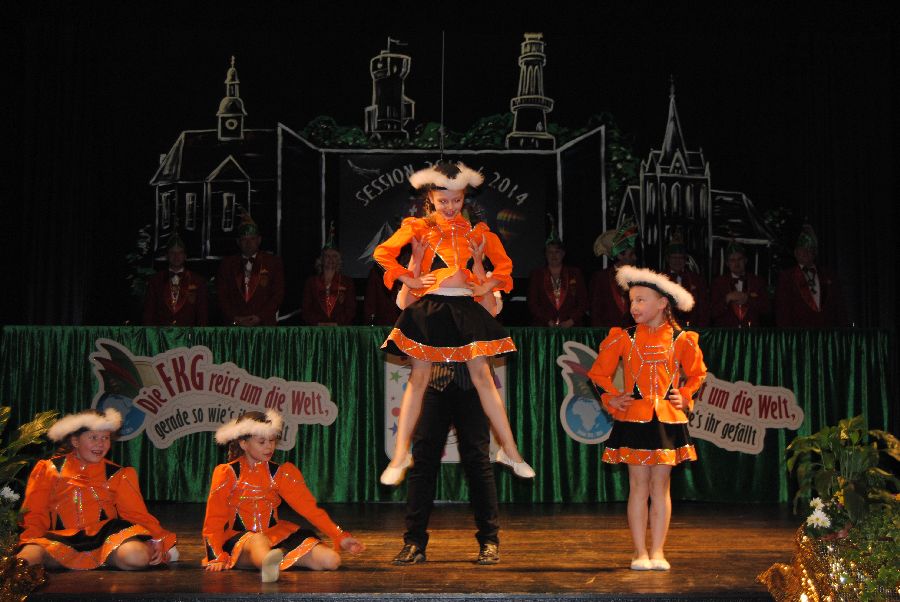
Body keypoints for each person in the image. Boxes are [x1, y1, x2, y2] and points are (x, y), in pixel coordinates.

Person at [373, 160, 533, 486]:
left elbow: (505, 266)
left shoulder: (477, 232)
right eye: (443, 200)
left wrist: (487, 285)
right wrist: (409, 277)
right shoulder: (419, 227)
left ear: (464, 198)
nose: (450, 207)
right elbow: (383, 253)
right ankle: (400, 454)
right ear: (430, 198)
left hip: (465, 307)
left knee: (483, 377)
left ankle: (510, 451)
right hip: (431, 307)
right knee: (419, 378)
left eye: (456, 200)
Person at [588, 266, 707, 571]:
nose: (634, 306)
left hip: (667, 421)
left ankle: (658, 551)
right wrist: (612, 397)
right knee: (638, 486)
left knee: (660, 486)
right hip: (634, 419)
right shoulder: (624, 338)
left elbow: (697, 373)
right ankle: (639, 552)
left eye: (641, 300)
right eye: (632, 301)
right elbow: (597, 374)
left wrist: (686, 395)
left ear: (662, 303)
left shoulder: (681, 338)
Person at [202, 410, 364, 582]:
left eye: (272, 440)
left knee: (331, 560)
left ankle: (272, 561)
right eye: (262, 442)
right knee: (258, 541)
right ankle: (268, 561)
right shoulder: (228, 473)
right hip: (241, 541)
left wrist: (339, 535)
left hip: (275, 536)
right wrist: (215, 556)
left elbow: (309, 509)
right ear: (243, 443)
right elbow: (214, 518)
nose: (269, 447)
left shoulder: (280, 473)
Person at [17, 409, 178, 570]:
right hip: (60, 540)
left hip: (106, 539)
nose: (101, 444)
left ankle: (105, 557)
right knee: (26, 559)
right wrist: (31, 540)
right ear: (75, 441)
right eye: (93, 437)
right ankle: (77, 559)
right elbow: (35, 512)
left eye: (105, 438)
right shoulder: (48, 469)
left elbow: (136, 513)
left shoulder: (118, 474)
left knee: (136, 556)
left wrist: (157, 538)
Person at [217, 213, 285, 326]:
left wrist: (260, 317)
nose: (248, 243)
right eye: (244, 239)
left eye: (252, 239)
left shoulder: (273, 262)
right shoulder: (227, 264)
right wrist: (235, 318)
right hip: (235, 326)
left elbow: (278, 295)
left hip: (264, 326)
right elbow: (222, 296)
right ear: (238, 242)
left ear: (259, 240)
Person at [775, 225, 848, 328]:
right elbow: (783, 310)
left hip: (827, 333)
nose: (805, 252)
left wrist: (844, 330)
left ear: (814, 253)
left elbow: (839, 307)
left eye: (809, 249)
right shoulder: (787, 277)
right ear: (795, 253)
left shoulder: (829, 276)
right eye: (802, 249)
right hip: (800, 333)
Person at [142, 231, 208, 326]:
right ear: (167, 256)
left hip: (188, 333)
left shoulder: (198, 281)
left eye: (180, 252)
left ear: (185, 256)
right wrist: (150, 333)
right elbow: (149, 311)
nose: (176, 256)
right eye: (172, 252)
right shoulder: (156, 280)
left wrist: (200, 333)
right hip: (161, 332)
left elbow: (202, 313)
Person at [527, 228, 589, 327]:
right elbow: (533, 304)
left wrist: (571, 321)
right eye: (550, 252)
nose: (553, 255)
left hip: (572, 328)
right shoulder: (537, 275)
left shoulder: (575, 273)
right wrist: (547, 321)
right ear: (545, 255)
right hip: (544, 327)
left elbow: (583, 302)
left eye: (557, 252)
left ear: (563, 254)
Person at [710, 241, 771, 327]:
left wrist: (748, 300)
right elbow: (712, 313)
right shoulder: (718, 283)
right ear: (727, 263)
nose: (737, 263)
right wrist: (727, 298)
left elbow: (767, 309)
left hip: (751, 332)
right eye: (732, 260)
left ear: (745, 260)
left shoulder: (757, 281)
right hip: (726, 332)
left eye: (740, 259)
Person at [589, 221, 638, 327]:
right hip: (607, 332)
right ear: (620, 256)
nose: (635, 257)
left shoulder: (638, 278)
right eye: (631, 254)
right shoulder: (601, 278)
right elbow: (595, 310)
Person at [301, 238, 357, 326]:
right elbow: (306, 309)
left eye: (334, 256)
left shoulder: (347, 282)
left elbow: (351, 309)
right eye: (327, 256)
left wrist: (336, 323)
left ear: (339, 260)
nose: (331, 259)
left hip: (340, 330)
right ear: (321, 259)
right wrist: (319, 323)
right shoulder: (311, 282)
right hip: (316, 330)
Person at [662, 233, 709, 327]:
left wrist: (700, 329)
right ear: (668, 259)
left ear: (685, 259)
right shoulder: (660, 280)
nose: (677, 261)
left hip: (693, 328)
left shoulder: (697, 280)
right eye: (674, 257)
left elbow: (703, 308)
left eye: (680, 258)